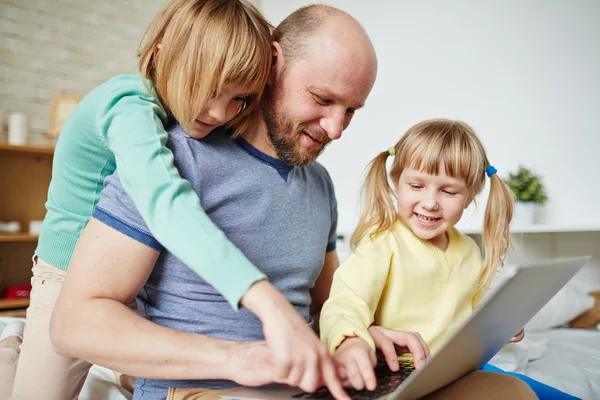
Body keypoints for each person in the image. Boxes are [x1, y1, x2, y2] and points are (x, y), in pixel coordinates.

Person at [52, 6, 536, 400]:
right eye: (323, 99)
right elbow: (76, 323)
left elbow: (327, 303)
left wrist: (366, 333)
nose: (336, 128)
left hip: (310, 386)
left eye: (351, 110)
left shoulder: (318, 183)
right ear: (272, 66)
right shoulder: (172, 159)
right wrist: (234, 358)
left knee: (509, 394)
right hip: (207, 388)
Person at [0, 1, 330, 400]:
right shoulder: (128, 109)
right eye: (210, 90)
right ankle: (11, 351)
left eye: (239, 99)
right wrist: (265, 300)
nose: (219, 113)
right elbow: (167, 207)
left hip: (129, 273)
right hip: (66, 271)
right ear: (160, 55)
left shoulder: (185, 112)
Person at [319, 119, 575, 399]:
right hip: (407, 375)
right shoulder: (382, 243)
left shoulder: (466, 249)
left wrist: (501, 324)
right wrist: (350, 341)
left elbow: (470, 318)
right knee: (517, 392)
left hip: (455, 370)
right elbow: (345, 303)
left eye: (449, 191)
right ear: (396, 182)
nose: (430, 202)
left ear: (470, 196)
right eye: (416, 186)